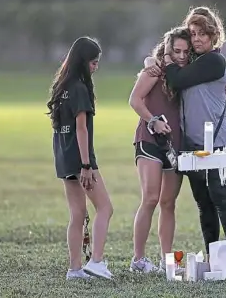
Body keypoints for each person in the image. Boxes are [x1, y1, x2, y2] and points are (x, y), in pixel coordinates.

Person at [144, 6, 226, 262]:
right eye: (193, 33)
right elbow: (165, 69)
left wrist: (168, 61)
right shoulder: (192, 60)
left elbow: (177, 80)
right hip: (192, 143)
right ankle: (213, 254)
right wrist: (152, 60)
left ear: (214, 35)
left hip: (217, 142)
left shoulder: (214, 61)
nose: (196, 39)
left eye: (202, 34)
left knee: (221, 197)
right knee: (203, 202)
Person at [46, 36, 114, 280]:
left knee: (77, 214)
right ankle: (96, 261)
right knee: (105, 208)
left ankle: (74, 269)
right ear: (83, 62)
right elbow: (81, 128)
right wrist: (86, 165)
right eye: (93, 63)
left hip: (63, 157)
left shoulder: (61, 86)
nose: (96, 67)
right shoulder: (80, 88)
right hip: (80, 158)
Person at [128, 27, 192, 273]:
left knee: (168, 202)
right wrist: (153, 120)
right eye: (176, 51)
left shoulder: (187, 73)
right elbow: (135, 99)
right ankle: (139, 259)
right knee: (151, 199)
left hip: (175, 144)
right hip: (150, 140)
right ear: (167, 50)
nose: (181, 55)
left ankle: (168, 260)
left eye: (186, 51)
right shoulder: (155, 70)